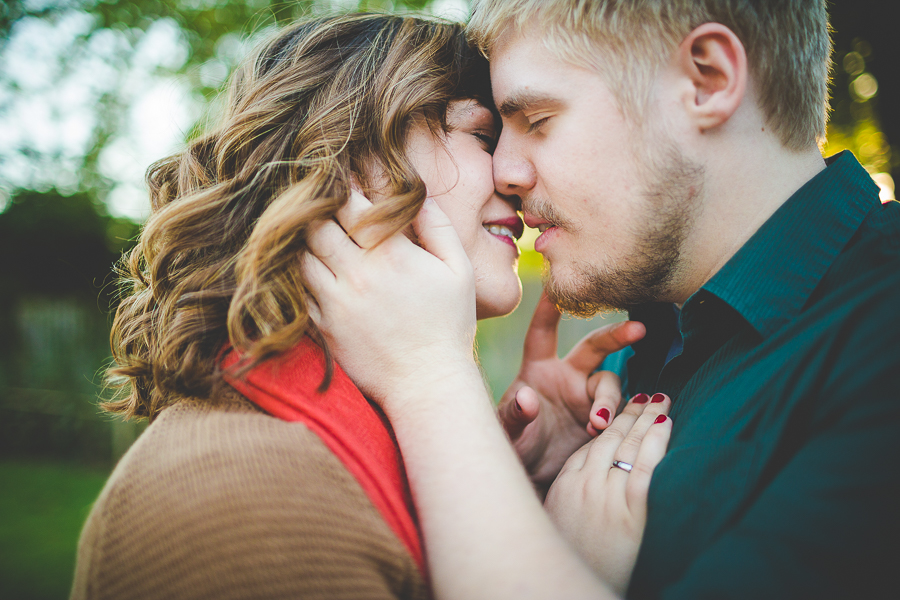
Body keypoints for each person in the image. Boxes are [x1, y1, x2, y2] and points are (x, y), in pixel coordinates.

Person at [303, 1, 900, 599]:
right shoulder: (635, 362)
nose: (504, 170)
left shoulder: (878, 342)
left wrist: (430, 381)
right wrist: (521, 491)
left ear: (707, 80)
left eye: (536, 119)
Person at [72, 13, 659, 600]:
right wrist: (579, 567)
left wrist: (516, 492)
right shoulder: (244, 495)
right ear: (353, 163)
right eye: (483, 137)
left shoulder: (320, 448)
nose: (513, 175)